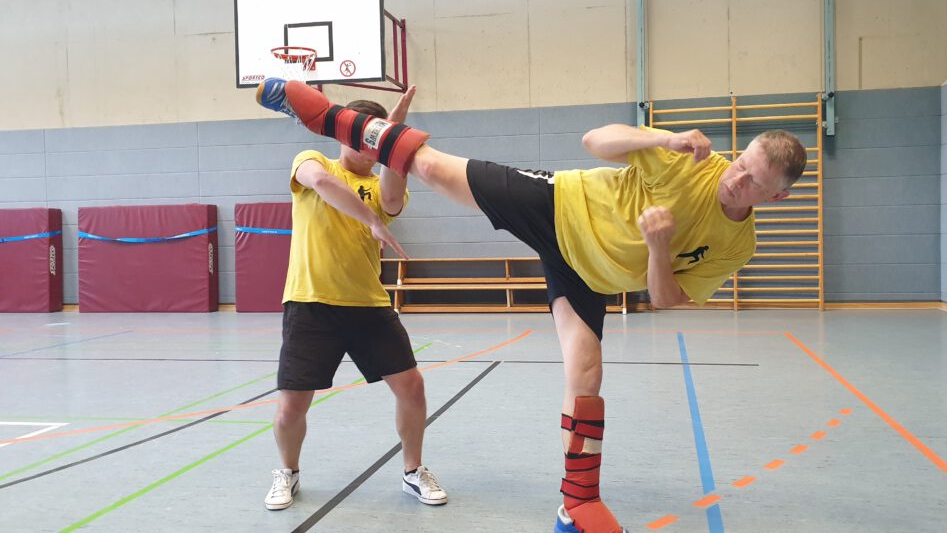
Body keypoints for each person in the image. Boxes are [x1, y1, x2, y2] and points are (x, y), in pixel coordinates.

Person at [256, 78, 806, 532]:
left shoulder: (740, 245)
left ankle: (577, 503)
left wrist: (658, 247)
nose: (735, 180)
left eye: (752, 181)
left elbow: (665, 298)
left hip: (589, 276)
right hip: (559, 204)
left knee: (586, 377)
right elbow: (597, 139)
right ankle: (326, 114)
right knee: (432, 167)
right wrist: (663, 139)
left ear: (776, 197)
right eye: (740, 164)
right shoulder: (695, 162)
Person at [264, 86, 448, 512]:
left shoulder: (380, 180)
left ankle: (412, 471)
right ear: (344, 135)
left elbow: (392, 198)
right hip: (310, 302)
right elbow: (323, 184)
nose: (366, 147)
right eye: (361, 137)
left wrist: (394, 137)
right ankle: (287, 473)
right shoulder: (312, 161)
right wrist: (370, 222)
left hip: (368, 305)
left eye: (375, 140)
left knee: (412, 388)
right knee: (292, 405)